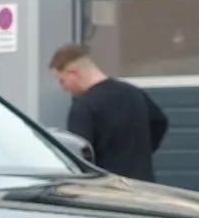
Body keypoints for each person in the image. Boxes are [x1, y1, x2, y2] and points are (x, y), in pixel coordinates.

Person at [49, 44, 168, 182]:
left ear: (74, 73)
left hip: (107, 191)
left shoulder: (84, 107)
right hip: (143, 187)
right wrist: (141, 155)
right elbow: (160, 122)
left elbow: (78, 156)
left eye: (62, 81)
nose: (63, 88)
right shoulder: (134, 93)